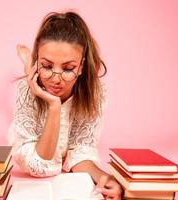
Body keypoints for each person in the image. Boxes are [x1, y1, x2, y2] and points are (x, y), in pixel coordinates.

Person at [8, 11, 122, 200]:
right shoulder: (25, 89)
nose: (56, 79)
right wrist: (54, 105)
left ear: (81, 67)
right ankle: (29, 66)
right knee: (31, 80)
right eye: (46, 66)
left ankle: (32, 64)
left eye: (68, 68)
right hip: (34, 139)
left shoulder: (96, 92)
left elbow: (80, 150)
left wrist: (104, 178)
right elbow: (38, 165)